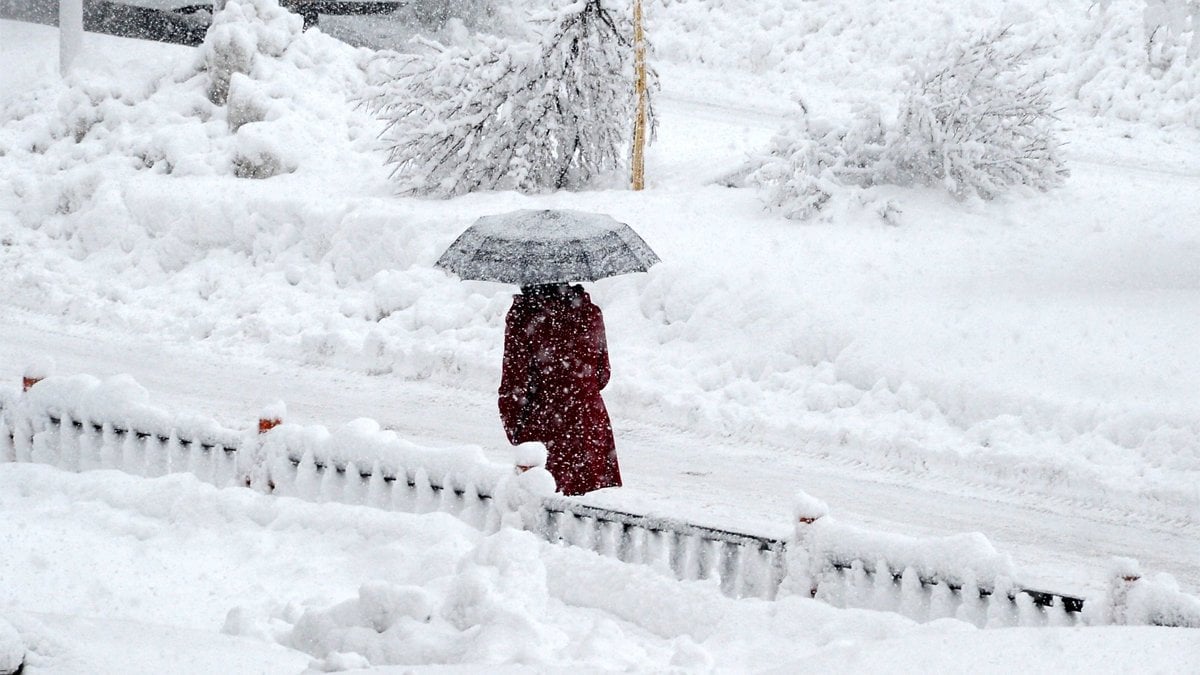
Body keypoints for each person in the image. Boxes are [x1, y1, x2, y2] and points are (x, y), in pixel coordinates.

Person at [498, 282, 621, 496]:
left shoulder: (524, 316)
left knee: (544, 508)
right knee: (593, 512)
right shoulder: (589, 312)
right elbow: (602, 375)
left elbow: (515, 383)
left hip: (545, 424)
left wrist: (516, 429)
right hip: (590, 424)